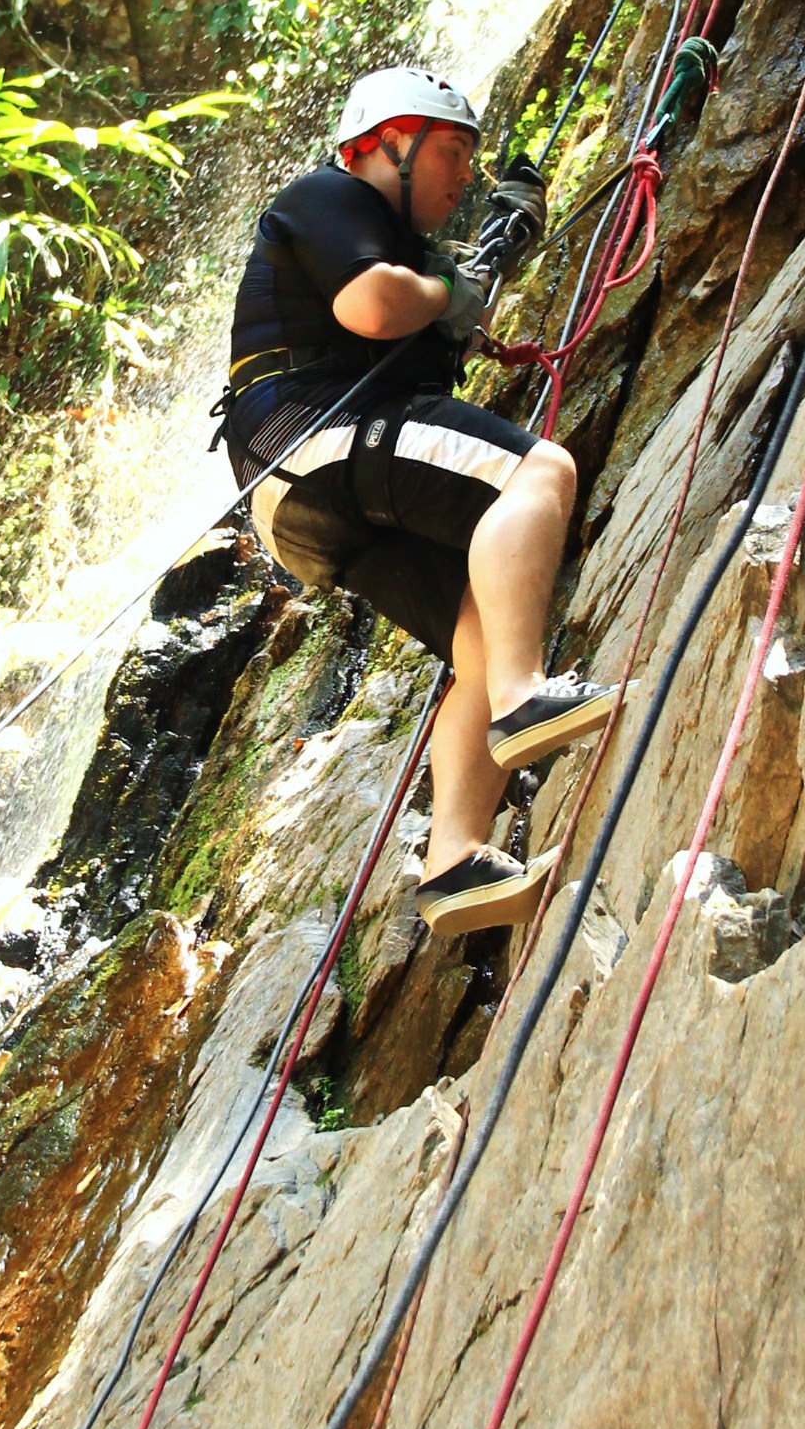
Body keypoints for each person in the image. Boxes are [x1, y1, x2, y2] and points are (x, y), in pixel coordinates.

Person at [223, 66, 614, 932]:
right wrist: (445, 292)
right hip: (312, 436)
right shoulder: (327, 194)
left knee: (481, 623)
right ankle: (524, 696)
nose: (465, 174)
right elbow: (374, 305)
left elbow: (420, 317)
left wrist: (475, 269)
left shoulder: (397, 248)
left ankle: (454, 861)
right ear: (388, 143)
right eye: (452, 151)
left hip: (301, 495)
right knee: (539, 472)